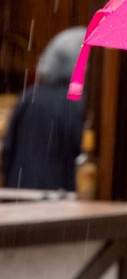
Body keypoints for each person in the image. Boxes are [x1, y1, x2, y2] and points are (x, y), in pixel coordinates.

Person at [2, 27, 86, 191]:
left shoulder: (28, 96)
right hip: (60, 197)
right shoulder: (78, 102)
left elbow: (8, 148)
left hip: (21, 193)